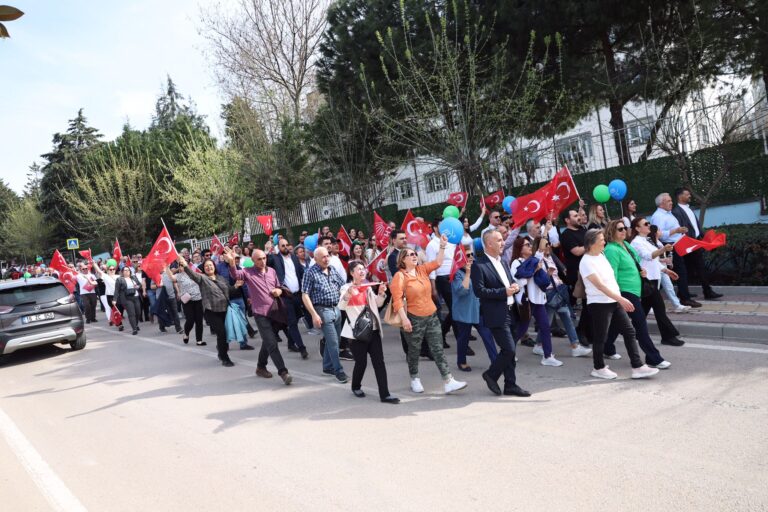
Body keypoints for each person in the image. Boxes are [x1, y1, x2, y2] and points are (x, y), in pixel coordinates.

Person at [390, 235, 467, 394]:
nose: (414, 256)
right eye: (410, 255)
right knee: (414, 350)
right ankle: (414, 378)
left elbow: (438, 262)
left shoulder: (422, 269)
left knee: (437, 348)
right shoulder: (400, 276)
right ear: (402, 260)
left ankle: (448, 380)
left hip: (431, 315)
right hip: (413, 318)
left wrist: (442, 246)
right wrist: (404, 320)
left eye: (414, 254)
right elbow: (397, 301)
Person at [580, 227, 660, 380]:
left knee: (629, 332)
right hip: (599, 303)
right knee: (601, 337)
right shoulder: (586, 262)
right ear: (592, 243)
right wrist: (621, 299)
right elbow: (600, 286)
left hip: (614, 300)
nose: (604, 242)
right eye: (601, 240)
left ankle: (637, 366)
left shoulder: (601, 255)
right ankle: (598, 368)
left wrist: (618, 298)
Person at [602, 220, 671, 369]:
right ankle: (653, 358)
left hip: (634, 289)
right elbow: (611, 275)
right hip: (624, 291)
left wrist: (641, 271)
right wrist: (617, 296)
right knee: (640, 323)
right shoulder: (611, 250)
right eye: (620, 229)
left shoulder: (626, 245)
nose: (623, 231)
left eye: (624, 228)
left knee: (617, 323)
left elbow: (636, 262)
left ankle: (607, 347)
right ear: (612, 232)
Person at [471, 230, 530, 397]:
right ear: (489, 244)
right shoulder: (479, 265)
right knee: (508, 350)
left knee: (511, 351)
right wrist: (503, 292)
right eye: (499, 240)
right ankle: (491, 374)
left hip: (512, 311)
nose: (503, 243)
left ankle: (510, 384)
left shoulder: (503, 262)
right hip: (496, 313)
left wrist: (514, 285)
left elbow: (509, 281)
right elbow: (479, 291)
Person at [225, 248, 293, 385]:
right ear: (253, 260)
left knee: (267, 341)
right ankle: (283, 372)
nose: (262, 261)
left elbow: (279, 286)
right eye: (259, 259)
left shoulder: (272, 271)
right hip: (260, 313)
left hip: (275, 311)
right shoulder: (247, 272)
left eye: (264, 258)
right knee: (272, 343)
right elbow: (235, 274)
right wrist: (232, 262)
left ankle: (261, 367)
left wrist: (278, 290)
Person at [338, 261, 399, 403]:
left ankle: (385, 394)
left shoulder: (368, 286)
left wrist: (381, 294)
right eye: (359, 269)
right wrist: (348, 293)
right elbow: (341, 305)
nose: (362, 271)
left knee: (379, 362)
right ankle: (355, 386)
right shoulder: (346, 288)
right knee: (361, 363)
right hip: (357, 333)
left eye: (363, 269)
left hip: (373, 329)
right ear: (352, 273)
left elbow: (377, 304)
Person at [629, 217, 685, 346]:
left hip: (653, 278)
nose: (649, 225)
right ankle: (668, 336)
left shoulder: (646, 240)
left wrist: (666, 271)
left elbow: (654, 261)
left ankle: (632, 331)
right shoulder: (636, 242)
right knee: (659, 308)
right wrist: (663, 249)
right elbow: (648, 256)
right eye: (645, 224)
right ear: (637, 228)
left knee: (644, 309)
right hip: (647, 279)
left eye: (648, 223)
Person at [534, 236, 592, 358]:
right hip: (549, 293)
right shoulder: (537, 259)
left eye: (549, 244)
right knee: (547, 322)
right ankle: (539, 345)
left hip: (558, 291)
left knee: (565, 317)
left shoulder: (550, 257)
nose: (549, 246)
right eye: (546, 244)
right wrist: (546, 231)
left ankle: (575, 346)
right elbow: (541, 277)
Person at [510, 237, 563, 367]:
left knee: (545, 327)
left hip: (539, 299)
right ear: (520, 249)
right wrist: (534, 270)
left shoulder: (534, 260)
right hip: (527, 300)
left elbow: (541, 278)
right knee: (521, 329)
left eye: (530, 244)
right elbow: (520, 282)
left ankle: (548, 356)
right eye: (527, 245)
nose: (530, 246)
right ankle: (508, 351)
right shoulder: (516, 263)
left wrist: (546, 274)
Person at [302, 246, 350, 384]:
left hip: (336, 309)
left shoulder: (332, 270)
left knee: (335, 340)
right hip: (322, 310)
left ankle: (328, 366)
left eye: (327, 255)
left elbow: (343, 286)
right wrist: (314, 314)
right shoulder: (310, 273)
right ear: (315, 259)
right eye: (323, 257)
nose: (326, 259)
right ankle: (338, 371)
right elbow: (305, 295)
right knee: (333, 342)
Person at [178, 255, 236, 367]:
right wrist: (185, 266)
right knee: (222, 333)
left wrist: (237, 286)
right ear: (204, 269)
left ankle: (221, 350)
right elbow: (192, 274)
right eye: (206, 266)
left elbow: (229, 291)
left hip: (224, 309)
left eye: (211, 265)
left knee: (224, 334)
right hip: (211, 310)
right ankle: (225, 358)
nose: (209, 267)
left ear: (214, 266)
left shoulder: (221, 278)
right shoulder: (202, 278)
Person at [649, 192, 701, 308]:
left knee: (683, 270)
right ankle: (684, 298)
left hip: (678, 243)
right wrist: (676, 231)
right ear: (661, 204)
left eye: (671, 200)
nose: (671, 203)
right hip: (669, 246)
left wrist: (680, 231)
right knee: (680, 271)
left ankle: (683, 293)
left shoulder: (669, 213)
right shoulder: (658, 216)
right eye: (668, 201)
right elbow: (659, 234)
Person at [671, 186, 724, 300]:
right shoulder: (676, 212)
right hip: (688, 244)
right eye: (687, 194)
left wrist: (704, 238)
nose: (690, 196)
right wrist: (689, 242)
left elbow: (696, 226)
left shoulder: (689, 209)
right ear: (680, 196)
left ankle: (685, 292)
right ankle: (706, 292)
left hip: (695, 243)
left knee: (693, 269)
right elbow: (679, 230)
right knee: (696, 268)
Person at [451, 248, 498, 372]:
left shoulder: (477, 269)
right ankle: (461, 361)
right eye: (468, 255)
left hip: (479, 310)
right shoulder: (456, 274)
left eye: (472, 254)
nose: (471, 257)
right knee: (463, 337)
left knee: (487, 336)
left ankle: (496, 362)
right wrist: (467, 273)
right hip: (464, 312)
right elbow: (462, 291)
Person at [268, 238, 309, 359]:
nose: (285, 247)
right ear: (278, 247)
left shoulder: (294, 258)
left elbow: (301, 273)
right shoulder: (275, 258)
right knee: (292, 322)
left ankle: (291, 343)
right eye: (282, 245)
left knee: (296, 318)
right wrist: (268, 250)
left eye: (287, 245)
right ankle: (302, 348)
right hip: (285, 296)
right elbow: (267, 261)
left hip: (297, 295)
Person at [425, 219, 459, 346]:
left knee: (456, 308)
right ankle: (461, 342)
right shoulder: (432, 245)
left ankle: (443, 332)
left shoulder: (451, 241)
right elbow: (431, 266)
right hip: (442, 278)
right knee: (454, 307)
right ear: (435, 228)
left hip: (455, 276)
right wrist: (433, 286)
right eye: (441, 226)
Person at [176, 263, 205, 346]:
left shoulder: (195, 273)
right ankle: (186, 333)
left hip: (198, 299)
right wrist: (166, 267)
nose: (181, 267)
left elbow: (203, 278)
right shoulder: (179, 276)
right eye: (180, 266)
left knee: (199, 320)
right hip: (187, 300)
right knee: (190, 320)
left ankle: (199, 340)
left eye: (183, 265)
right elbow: (171, 277)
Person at [114, 266, 143, 335]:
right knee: (131, 314)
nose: (127, 271)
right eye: (125, 270)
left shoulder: (134, 277)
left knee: (138, 313)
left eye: (128, 270)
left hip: (136, 297)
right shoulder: (120, 279)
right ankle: (134, 329)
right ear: (122, 272)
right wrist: (114, 299)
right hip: (126, 299)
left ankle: (135, 324)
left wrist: (138, 286)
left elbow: (140, 285)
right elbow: (116, 290)